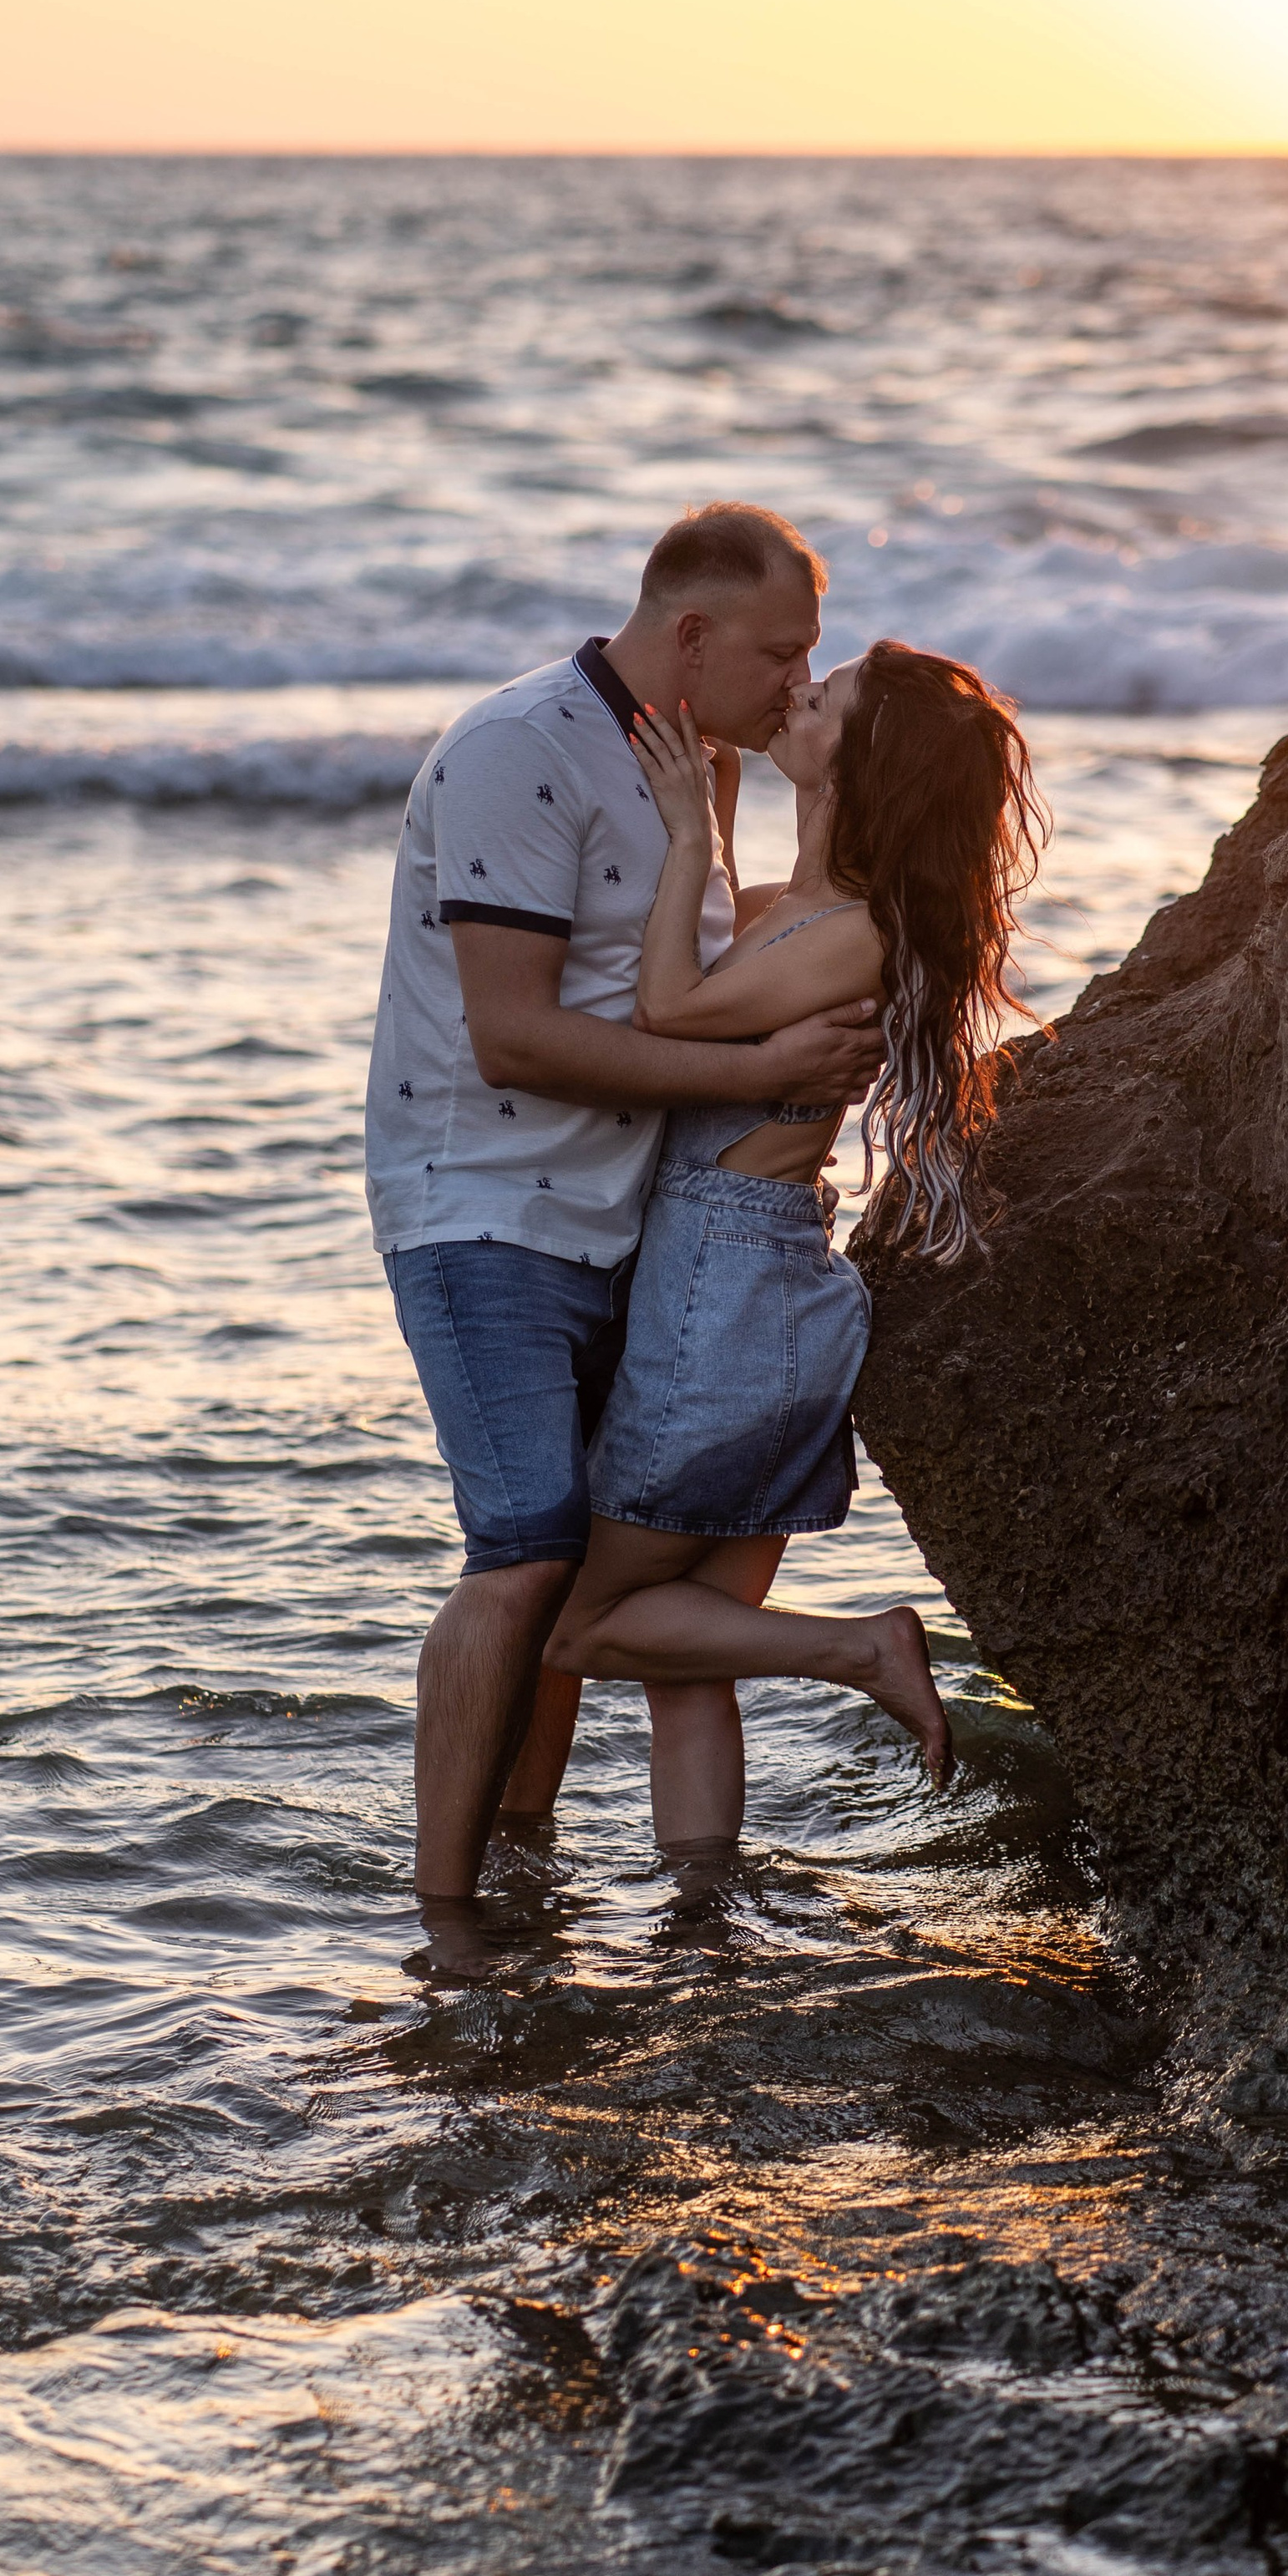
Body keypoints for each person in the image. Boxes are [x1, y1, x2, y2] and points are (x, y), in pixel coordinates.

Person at [366, 504, 884, 1905]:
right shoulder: (515, 754)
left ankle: (519, 1861)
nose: (796, 681)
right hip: (485, 1205)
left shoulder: (691, 768)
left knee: (574, 1562)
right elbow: (514, 1038)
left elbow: (727, 959)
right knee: (527, 1544)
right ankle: (447, 1912)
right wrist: (768, 1063)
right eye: (783, 653)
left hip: (628, 1217)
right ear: (693, 633)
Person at [545, 635, 1044, 1849]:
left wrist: (680, 830)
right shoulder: (792, 911)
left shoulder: (854, 932)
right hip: (748, 1291)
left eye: (826, 698)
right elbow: (704, 956)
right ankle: (703, 1917)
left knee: (583, 1627)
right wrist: (707, 813)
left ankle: (860, 1648)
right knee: (685, 1666)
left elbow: (668, 1010)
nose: (798, 693)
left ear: (858, 760)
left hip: (727, 1300)